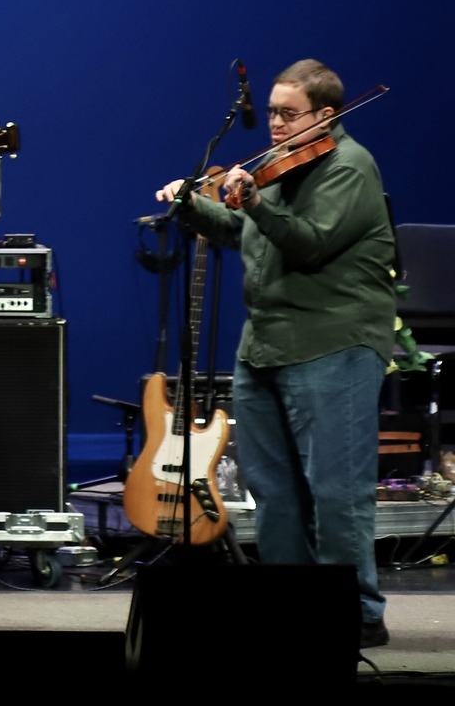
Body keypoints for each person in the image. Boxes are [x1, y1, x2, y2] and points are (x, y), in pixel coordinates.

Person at [157, 59, 393, 649]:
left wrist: (257, 203)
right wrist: (191, 204)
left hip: (333, 344)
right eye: (271, 113)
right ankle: (293, 603)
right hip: (265, 346)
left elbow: (310, 244)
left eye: (290, 114)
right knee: (273, 489)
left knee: (336, 491)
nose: (277, 125)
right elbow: (244, 232)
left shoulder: (349, 166)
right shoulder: (280, 169)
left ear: (325, 116)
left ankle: (358, 612)